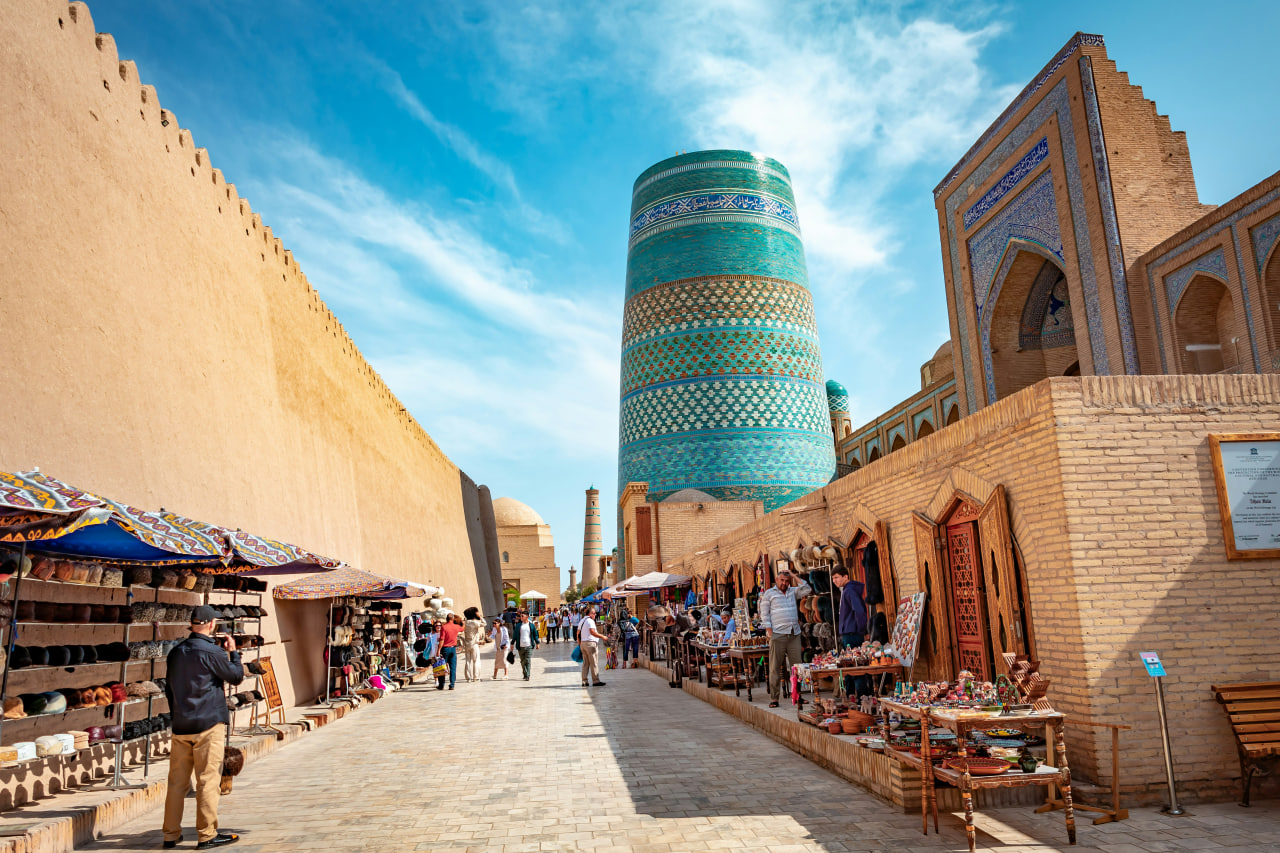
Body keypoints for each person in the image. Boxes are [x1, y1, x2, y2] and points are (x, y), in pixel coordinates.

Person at [162, 605, 244, 849]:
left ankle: (170, 834)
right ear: (211, 624)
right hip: (208, 724)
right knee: (208, 780)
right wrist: (234, 653)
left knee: (177, 783)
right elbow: (236, 676)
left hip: (181, 725)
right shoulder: (212, 652)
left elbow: (169, 688)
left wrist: (177, 714)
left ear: (192, 624)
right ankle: (207, 834)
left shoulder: (175, 652)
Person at [759, 568, 812, 708]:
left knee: (797, 667)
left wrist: (793, 575)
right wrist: (770, 633)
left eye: (787, 581)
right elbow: (764, 615)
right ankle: (774, 698)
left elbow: (807, 589)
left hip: (794, 634)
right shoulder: (769, 594)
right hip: (778, 634)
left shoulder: (792, 591)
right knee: (775, 668)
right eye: (782, 580)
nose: (784, 583)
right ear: (776, 580)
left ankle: (798, 696)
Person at [831, 566, 870, 699]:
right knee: (848, 667)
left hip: (853, 634)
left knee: (855, 667)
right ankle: (851, 696)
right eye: (833, 578)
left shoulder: (850, 590)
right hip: (849, 633)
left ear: (845, 576)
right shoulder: (846, 590)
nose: (834, 581)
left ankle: (862, 697)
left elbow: (860, 611)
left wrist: (861, 630)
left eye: (837, 577)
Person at [578, 604, 607, 688]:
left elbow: (578, 633)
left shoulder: (582, 621)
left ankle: (584, 681)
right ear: (590, 614)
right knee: (594, 663)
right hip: (590, 644)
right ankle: (596, 681)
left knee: (585, 663)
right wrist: (602, 636)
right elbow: (592, 632)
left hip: (583, 643)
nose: (595, 615)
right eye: (594, 613)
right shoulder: (590, 621)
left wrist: (580, 644)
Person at [512, 611, 540, 680]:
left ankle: (527, 675)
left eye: (522, 616)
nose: (521, 617)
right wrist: (512, 643)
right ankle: (525, 673)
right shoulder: (518, 626)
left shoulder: (531, 625)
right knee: (522, 661)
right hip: (520, 646)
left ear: (527, 616)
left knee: (527, 660)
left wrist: (537, 643)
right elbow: (515, 635)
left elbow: (535, 635)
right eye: (520, 616)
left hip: (529, 645)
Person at [460, 607, 486, 684]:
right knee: (476, 660)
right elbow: (484, 623)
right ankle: (476, 677)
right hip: (474, 644)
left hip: (467, 643)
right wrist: (480, 617)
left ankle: (468, 677)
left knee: (467, 661)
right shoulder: (474, 623)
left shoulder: (465, 622)